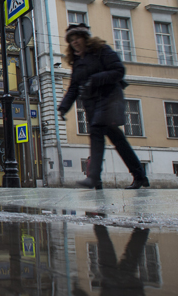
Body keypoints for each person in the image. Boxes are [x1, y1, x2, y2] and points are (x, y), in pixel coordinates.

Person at [58, 23, 149, 190]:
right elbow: (74, 87)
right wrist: (63, 107)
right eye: (71, 40)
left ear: (85, 37)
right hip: (92, 105)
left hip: (109, 99)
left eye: (77, 37)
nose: (75, 42)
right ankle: (140, 176)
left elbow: (118, 70)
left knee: (97, 133)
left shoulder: (101, 50)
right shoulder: (77, 61)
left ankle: (94, 178)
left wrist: (95, 79)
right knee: (118, 141)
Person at [72, 225, 150, 296]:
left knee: (130, 259)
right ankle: (100, 225)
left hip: (130, 294)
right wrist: (78, 293)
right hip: (112, 293)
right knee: (109, 258)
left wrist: (78, 293)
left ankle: (142, 230)